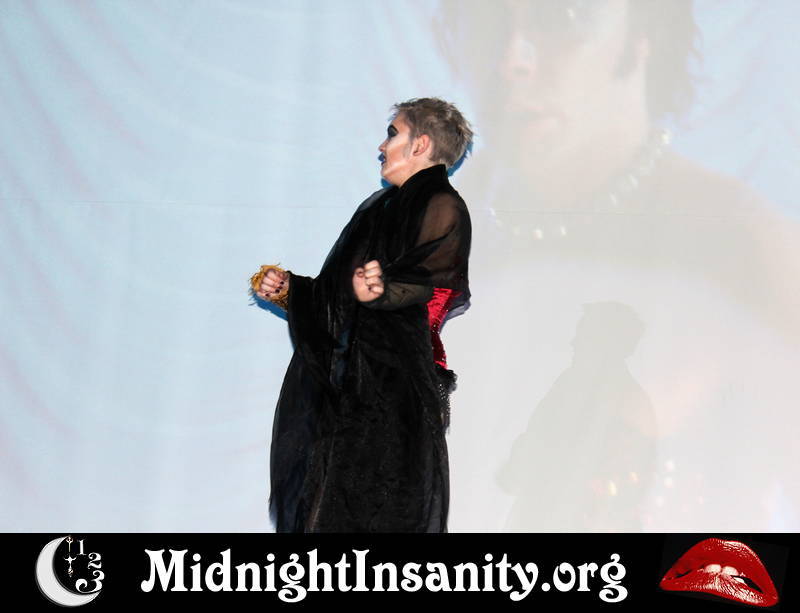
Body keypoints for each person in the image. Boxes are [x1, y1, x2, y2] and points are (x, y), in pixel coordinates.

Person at [252, 98, 474, 532]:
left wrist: (383, 291)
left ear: (420, 144)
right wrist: (291, 290)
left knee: (377, 514)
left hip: (394, 392)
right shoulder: (378, 207)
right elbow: (339, 295)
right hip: (349, 390)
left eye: (393, 134)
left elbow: (432, 286)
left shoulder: (442, 204)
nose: (382, 146)